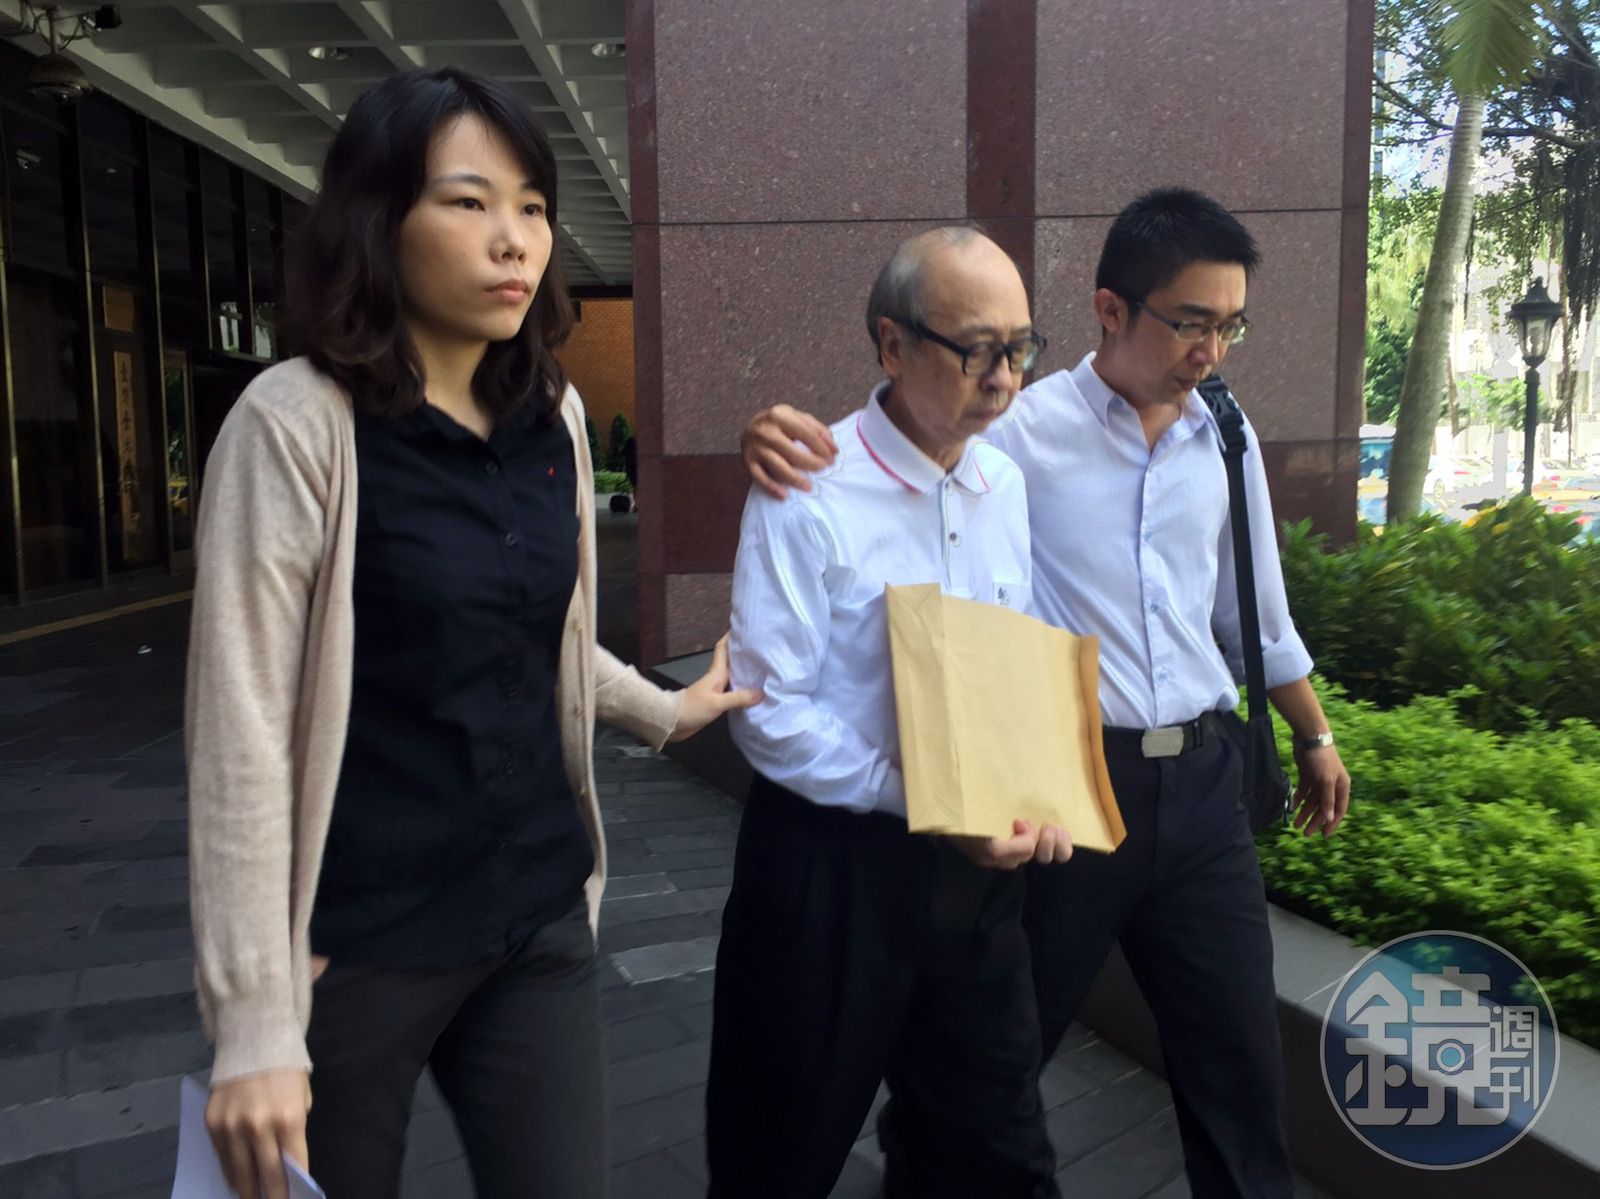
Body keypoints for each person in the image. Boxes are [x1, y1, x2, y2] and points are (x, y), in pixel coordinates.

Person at [184, 67, 758, 1199]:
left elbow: (545, 634)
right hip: (356, 948)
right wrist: (252, 1020)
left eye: (532, 207)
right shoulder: (295, 424)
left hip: (534, 918)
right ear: (378, 218)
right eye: (467, 201)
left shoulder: (554, 415)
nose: (514, 240)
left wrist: (666, 706)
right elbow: (239, 729)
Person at [740, 188, 1353, 1198]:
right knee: (974, 1069)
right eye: (1190, 322)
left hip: (1191, 787)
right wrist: (776, 431)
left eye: (1229, 325)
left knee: (1234, 1066)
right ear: (1113, 309)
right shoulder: (1018, 432)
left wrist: (1314, 736)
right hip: (1065, 787)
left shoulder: (1220, 432)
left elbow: (1255, 611)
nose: (1210, 350)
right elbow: (903, 439)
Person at [709, 227, 1072, 1199]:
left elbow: (1001, 661)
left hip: (976, 887)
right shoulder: (807, 487)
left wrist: (1029, 788)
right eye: (977, 350)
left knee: (1000, 1158)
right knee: (776, 1156)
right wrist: (927, 796)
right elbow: (765, 710)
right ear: (891, 343)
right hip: (830, 875)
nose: (1004, 377)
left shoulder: (1002, 483)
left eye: (1021, 347)